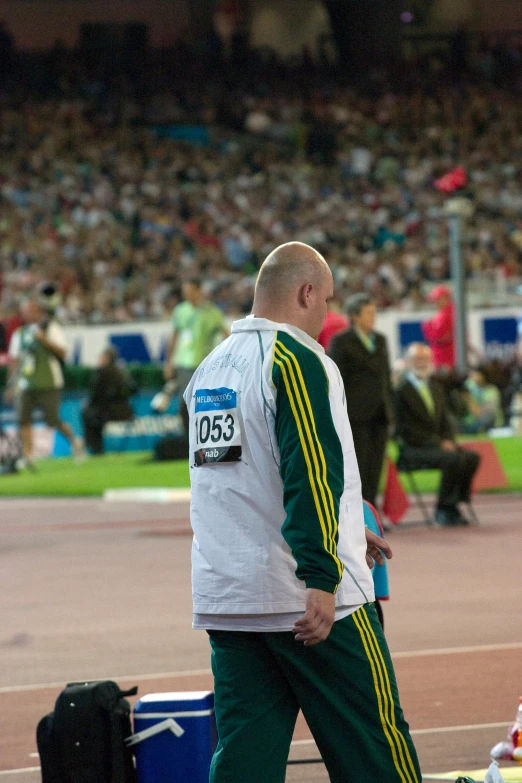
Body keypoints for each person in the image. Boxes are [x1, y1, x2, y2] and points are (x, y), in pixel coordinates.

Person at [184, 241, 421, 783]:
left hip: (230, 598)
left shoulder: (209, 369)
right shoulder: (299, 360)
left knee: (246, 754)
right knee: (374, 740)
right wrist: (321, 571)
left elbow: (234, 480)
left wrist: (346, 521)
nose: (326, 316)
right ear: (305, 291)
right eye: (327, 301)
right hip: (310, 603)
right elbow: (309, 470)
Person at [394, 343, 480, 526]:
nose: (421, 363)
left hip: (439, 445)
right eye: (417, 359)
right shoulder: (400, 391)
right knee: (453, 459)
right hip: (414, 449)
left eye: (425, 359)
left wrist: (448, 439)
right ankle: (443, 508)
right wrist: (437, 443)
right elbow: (404, 430)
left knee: (471, 457)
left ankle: (454, 504)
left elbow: (445, 421)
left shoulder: (436, 387)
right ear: (408, 362)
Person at [328, 293, 393, 506]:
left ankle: (373, 512)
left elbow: (386, 378)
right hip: (356, 415)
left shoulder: (381, 340)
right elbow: (336, 380)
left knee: (375, 467)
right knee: (358, 468)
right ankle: (357, 515)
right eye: (368, 313)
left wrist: (391, 410)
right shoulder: (341, 342)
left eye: (374, 312)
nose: (373, 317)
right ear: (354, 316)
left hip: (380, 413)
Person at [7, 299, 84, 468]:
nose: (27, 314)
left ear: (37, 312)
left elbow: (63, 353)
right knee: (23, 419)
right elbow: (14, 361)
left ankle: (75, 442)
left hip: (48, 382)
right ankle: (28, 456)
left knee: (52, 419)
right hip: (26, 383)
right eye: (25, 311)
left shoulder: (50, 328)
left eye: (30, 310)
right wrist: (10, 385)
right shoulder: (19, 334)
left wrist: (44, 340)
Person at [164, 279, 226, 436]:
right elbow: (173, 337)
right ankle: (188, 440)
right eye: (185, 292)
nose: (187, 295)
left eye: (190, 291)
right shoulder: (180, 310)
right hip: (184, 364)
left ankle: (209, 437)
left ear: (198, 291)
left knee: (208, 402)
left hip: (206, 365)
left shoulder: (211, 312)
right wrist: (169, 362)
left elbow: (226, 335)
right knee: (184, 403)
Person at [81, 347, 135, 454]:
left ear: (107, 358)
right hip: (126, 411)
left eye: (102, 357)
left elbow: (96, 394)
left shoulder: (102, 373)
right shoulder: (122, 372)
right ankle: (94, 446)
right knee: (92, 415)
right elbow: (134, 389)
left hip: (108, 412)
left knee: (89, 415)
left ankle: (95, 447)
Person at [459, 366, 503, 434]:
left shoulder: (491, 391)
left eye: (477, 375)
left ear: (484, 376)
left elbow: (484, 417)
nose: (474, 378)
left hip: (489, 425)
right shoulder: (469, 385)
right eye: (472, 375)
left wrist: (468, 399)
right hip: (468, 423)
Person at [421, 285, 455, 370]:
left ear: (445, 298)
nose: (435, 302)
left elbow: (443, 337)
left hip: (448, 358)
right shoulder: (444, 313)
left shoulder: (449, 313)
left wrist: (428, 327)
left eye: (437, 299)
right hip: (442, 358)